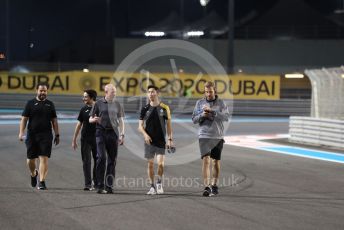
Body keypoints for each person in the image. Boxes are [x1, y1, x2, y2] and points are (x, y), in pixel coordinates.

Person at [18, 82, 60, 190]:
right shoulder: (30, 103)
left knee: (44, 158)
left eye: (45, 91)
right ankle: (33, 174)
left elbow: (54, 121)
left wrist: (57, 134)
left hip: (46, 135)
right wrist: (21, 133)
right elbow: (24, 119)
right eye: (41, 90)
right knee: (30, 160)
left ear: (47, 91)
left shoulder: (50, 104)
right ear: (36, 91)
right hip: (32, 135)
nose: (43, 92)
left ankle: (41, 181)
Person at [192, 81, 230, 196]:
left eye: (210, 91)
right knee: (206, 160)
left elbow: (226, 117)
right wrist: (202, 115)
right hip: (204, 135)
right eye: (206, 91)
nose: (208, 94)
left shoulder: (221, 103)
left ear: (215, 91)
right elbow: (194, 119)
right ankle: (207, 186)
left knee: (215, 161)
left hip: (217, 135)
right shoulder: (199, 103)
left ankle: (214, 184)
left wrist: (212, 111)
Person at [138, 85, 174, 195]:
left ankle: (159, 183)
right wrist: (145, 135)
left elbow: (168, 126)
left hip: (160, 141)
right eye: (149, 92)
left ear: (157, 93)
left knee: (161, 164)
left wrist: (170, 139)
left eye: (153, 92)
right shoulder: (145, 109)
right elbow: (140, 126)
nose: (150, 94)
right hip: (149, 141)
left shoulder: (164, 108)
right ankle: (152, 187)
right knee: (150, 164)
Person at [89, 84, 125, 194]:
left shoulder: (118, 104)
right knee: (101, 158)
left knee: (112, 160)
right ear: (106, 92)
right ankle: (100, 185)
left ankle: (109, 186)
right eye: (112, 92)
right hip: (100, 133)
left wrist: (122, 134)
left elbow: (121, 120)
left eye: (115, 91)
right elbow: (90, 119)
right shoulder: (98, 104)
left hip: (113, 134)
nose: (115, 93)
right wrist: (94, 119)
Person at [72, 89, 98, 191]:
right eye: (84, 96)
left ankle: (96, 182)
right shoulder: (83, 109)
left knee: (98, 161)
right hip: (85, 139)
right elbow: (79, 125)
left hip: (98, 139)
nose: (83, 98)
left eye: (86, 96)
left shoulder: (99, 108)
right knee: (86, 161)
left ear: (92, 98)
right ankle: (88, 184)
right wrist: (74, 139)